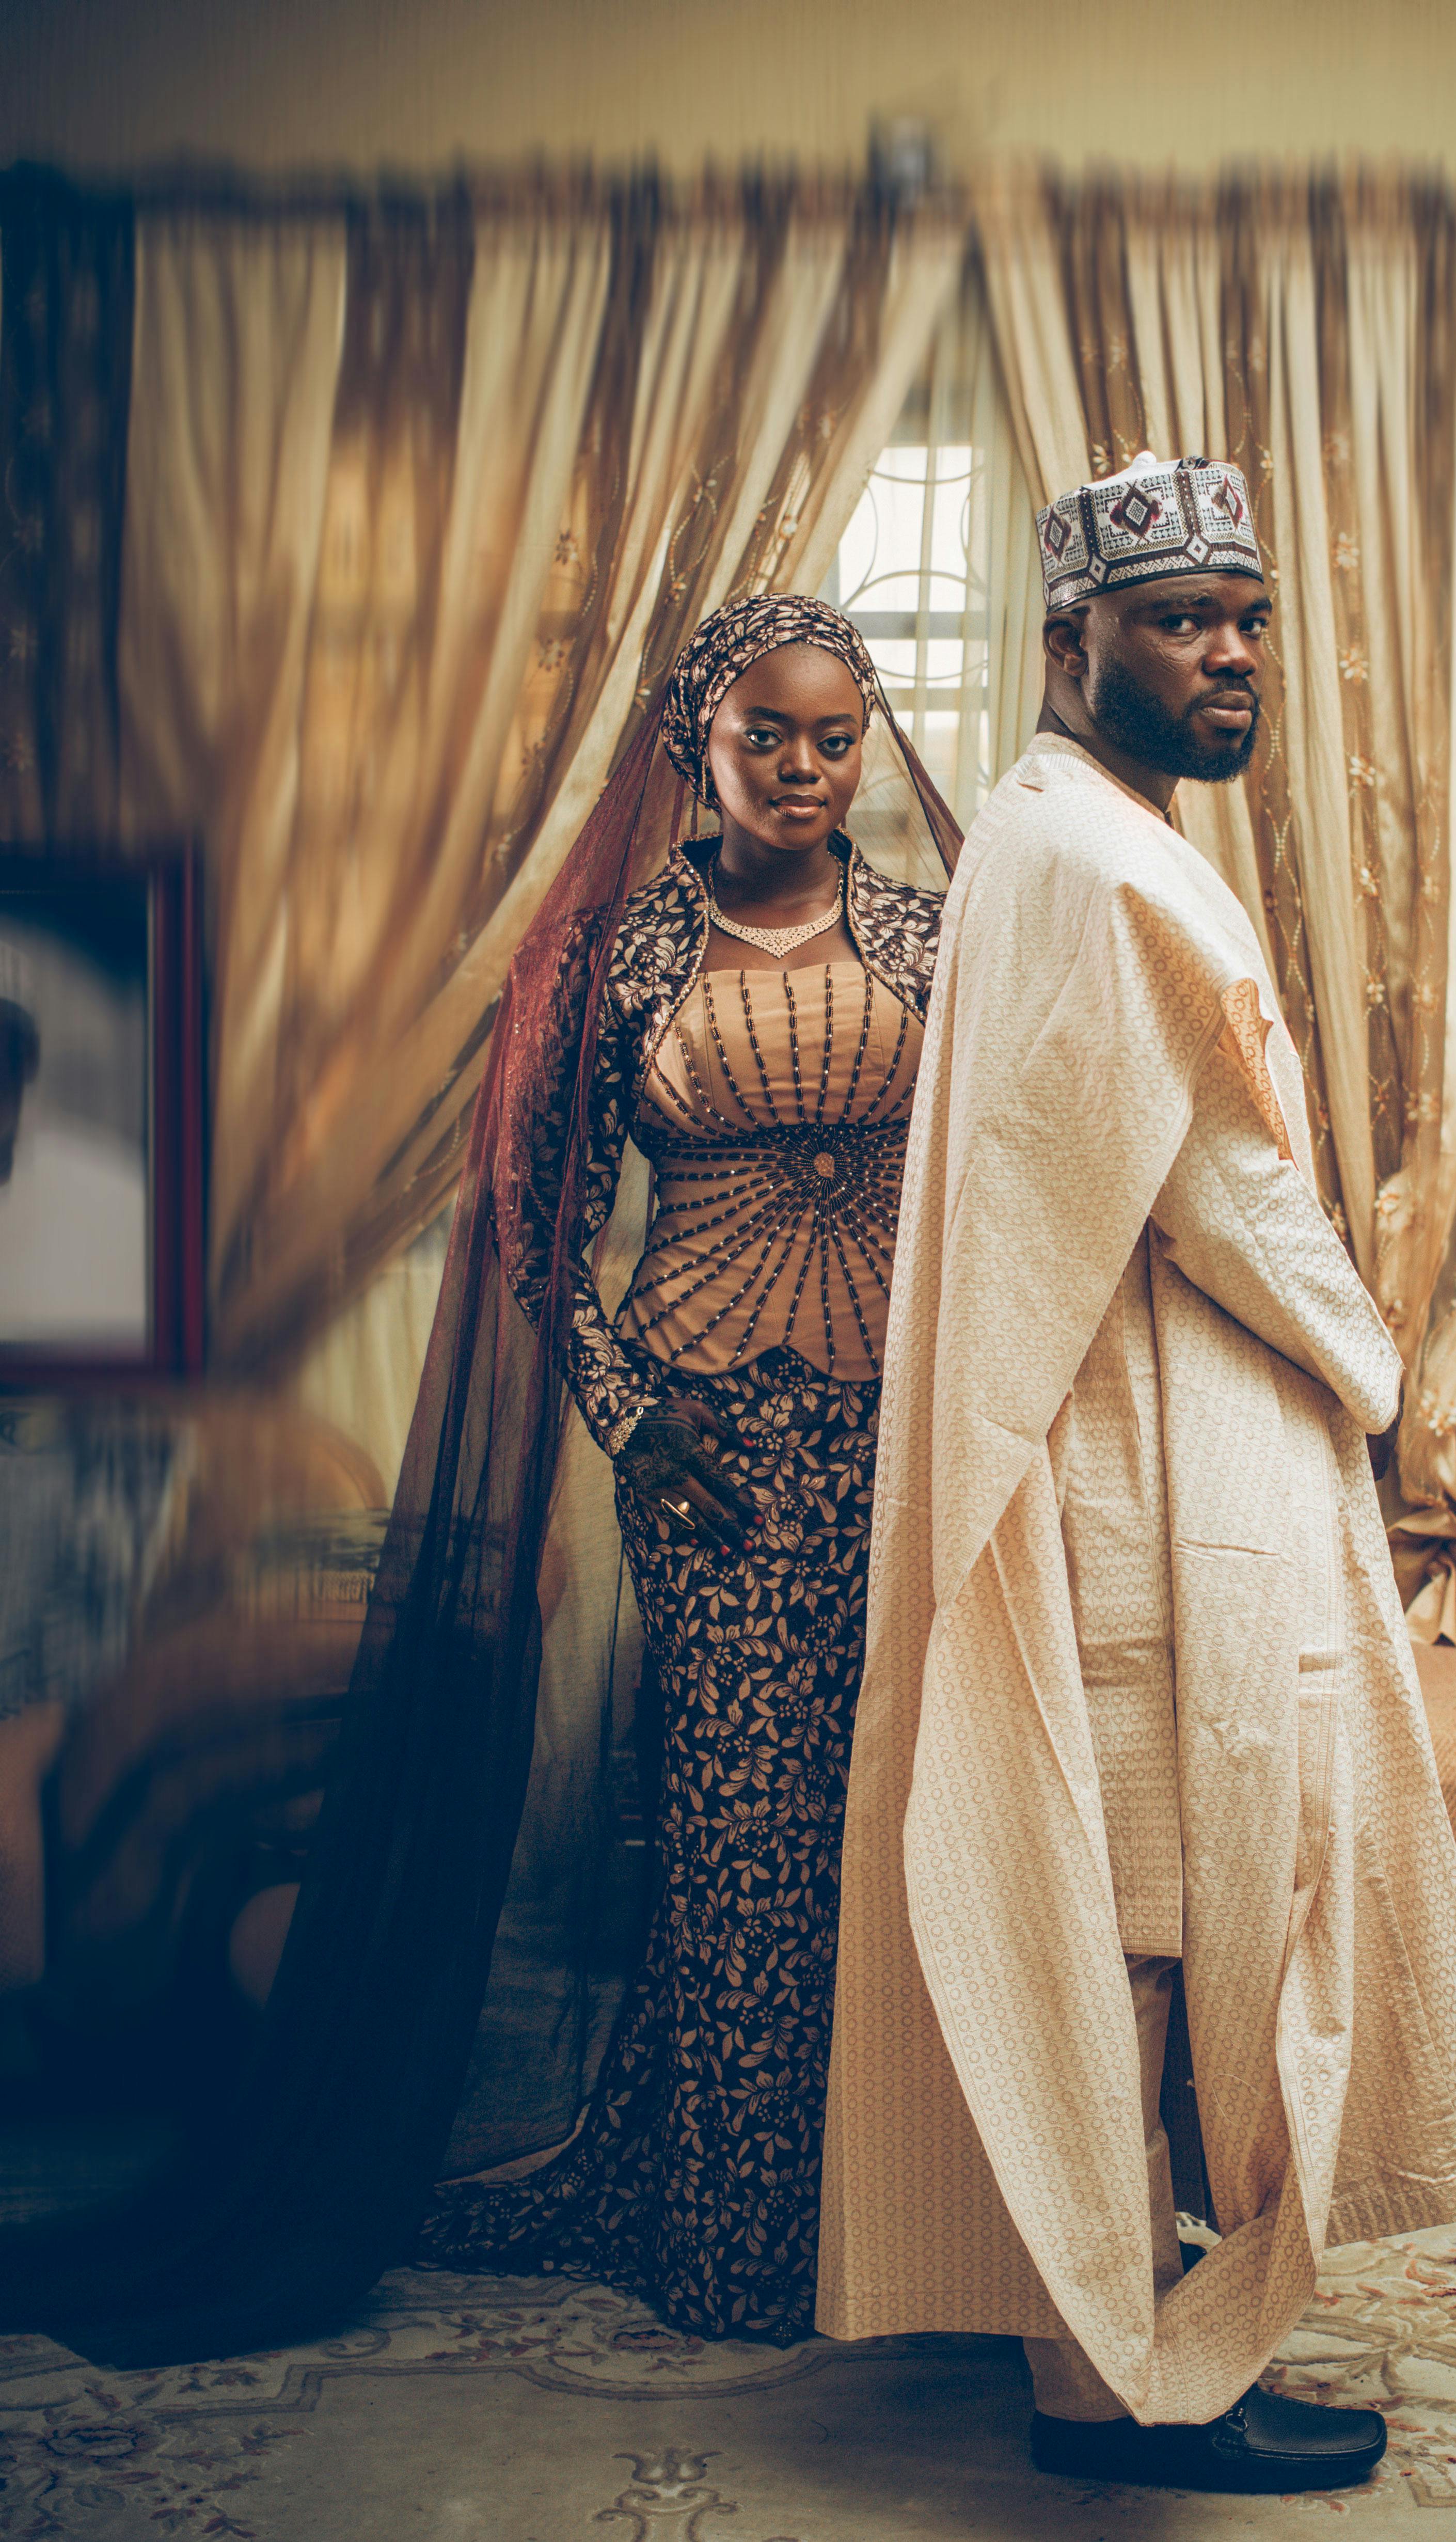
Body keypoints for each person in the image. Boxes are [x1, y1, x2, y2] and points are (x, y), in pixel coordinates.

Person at [817, 456, 1456, 2493]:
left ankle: (1124, 2332)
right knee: (1128, 1927)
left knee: (1141, 1915)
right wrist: (1384, 1373)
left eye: (1246, 617)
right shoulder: (1090, 858)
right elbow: (1222, 1182)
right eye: (1180, 619)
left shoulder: (1071, 829)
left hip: (1142, 1434)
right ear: (1075, 643)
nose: (1228, 654)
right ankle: (1107, 2389)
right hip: (1118, 1455)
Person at [421, 595, 948, 2341]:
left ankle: (904, 2224)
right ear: (692, 748)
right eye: (764, 736)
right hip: (709, 1444)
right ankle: (734, 2237)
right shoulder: (621, 954)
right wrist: (627, 1417)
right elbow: (532, 1216)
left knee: (900, 1830)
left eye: (834, 733)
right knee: (736, 1824)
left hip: (910, 1434)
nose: (803, 766)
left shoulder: (933, 937)